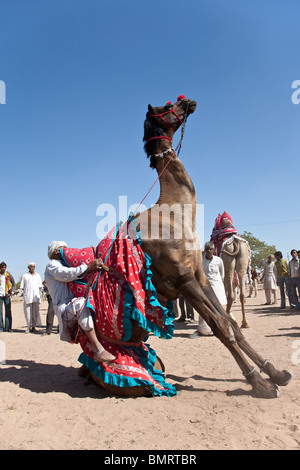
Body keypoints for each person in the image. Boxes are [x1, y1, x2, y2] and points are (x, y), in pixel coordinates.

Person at [44, 241, 115, 363]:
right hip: (64, 306)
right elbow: (66, 275)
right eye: (63, 249)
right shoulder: (52, 265)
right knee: (81, 304)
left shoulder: (65, 264)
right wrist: (87, 267)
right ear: (56, 251)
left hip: (72, 303)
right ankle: (98, 349)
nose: (67, 251)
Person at [190, 241, 227, 338]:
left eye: (211, 249)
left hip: (217, 285)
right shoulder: (200, 261)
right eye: (207, 249)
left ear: (214, 250)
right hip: (205, 286)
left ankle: (221, 329)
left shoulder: (218, 260)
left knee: (220, 306)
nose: (209, 251)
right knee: (204, 306)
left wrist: (218, 282)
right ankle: (202, 330)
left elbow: (222, 274)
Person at [20, 262, 43, 333]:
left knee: (35, 313)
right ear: (28, 268)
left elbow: (40, 286)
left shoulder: (38, 276)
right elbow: (22, 287)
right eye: (31, 266)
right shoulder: (25, 276)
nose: (33, 268)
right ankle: (28, 327)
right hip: (28, 296)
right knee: (27, 313)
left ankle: (34, 327)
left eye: (34, 266)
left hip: (35, 297)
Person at [0, 262, 15, 332]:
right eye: (2, 267)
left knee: (8, 312)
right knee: (0, 312)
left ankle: (8, 328)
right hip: (0, 295)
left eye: (4, 267)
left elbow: (14, 283)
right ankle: (1, 328)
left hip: (7, 295)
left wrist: (12, 292)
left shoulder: (8, 275)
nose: (3, 268)